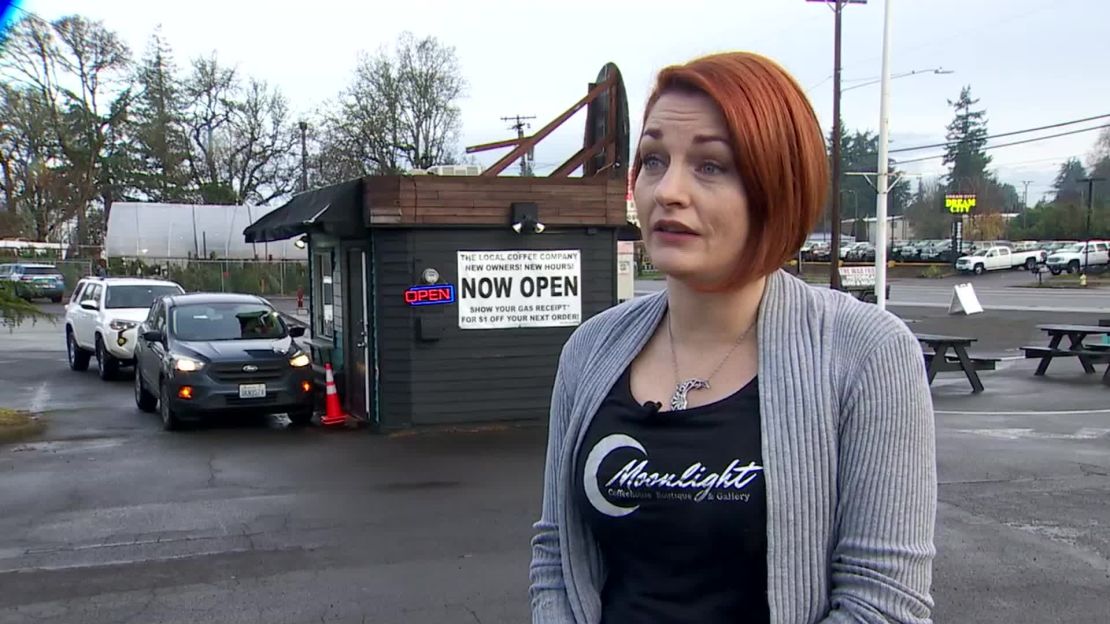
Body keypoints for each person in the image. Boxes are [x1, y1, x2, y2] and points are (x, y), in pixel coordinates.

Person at [529, 51, 936, 624]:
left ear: (776, 186)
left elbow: (883, 604)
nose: (668, 190)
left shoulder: (866, 354)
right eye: (652, 160)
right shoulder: (589, 352)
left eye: (710, 166)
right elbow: (554, 555)